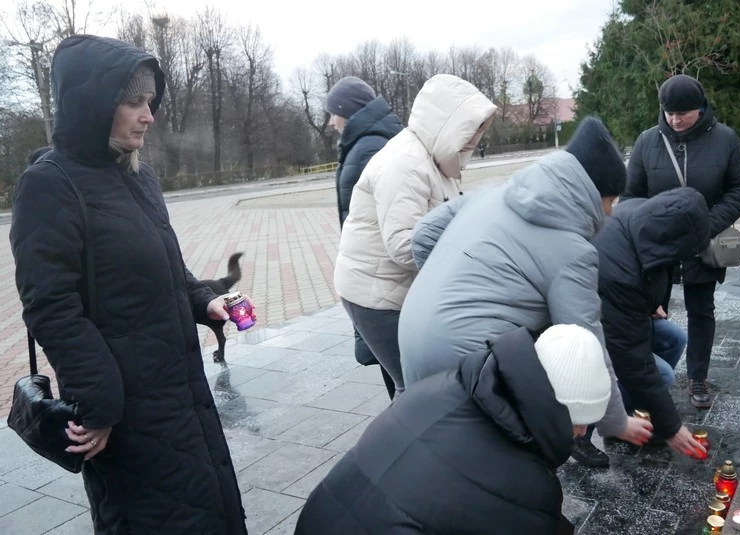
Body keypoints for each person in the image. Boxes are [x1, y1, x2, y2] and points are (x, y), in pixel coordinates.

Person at [9, 35, 247, 534]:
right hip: (124, 413)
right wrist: (100, 403)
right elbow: (49, 306)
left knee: (206, 510)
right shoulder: (50, 184)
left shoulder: (139, 176)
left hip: (179, 392)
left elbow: (167, 271)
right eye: (135, 102)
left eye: (151, 102)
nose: (149, 115)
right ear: (95, 106)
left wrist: (206, 301)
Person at [398, 116, 651, 449]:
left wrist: (451, 282)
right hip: (469, 359)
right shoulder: (572, 250)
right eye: (611, 201)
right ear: (592, 192)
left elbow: (423, 235)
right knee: (496, 457)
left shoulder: (496, 193)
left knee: (438, 444)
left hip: (412, 334)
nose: (610, 214)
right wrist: (616, 421)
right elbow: (585, 343)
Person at [294, 324, 646, 534]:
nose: (584, 434)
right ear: (560, 411)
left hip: (317, 519)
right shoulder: (527, 486)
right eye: (583, 422)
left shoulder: (443, 386)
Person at [333, 73, 497, 397]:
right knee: (415, 388)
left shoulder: (436, 163)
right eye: (469, 129)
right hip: (375, 295)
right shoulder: (405, 164)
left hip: (392, 287)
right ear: (447, 124)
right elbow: (404, 245)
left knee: (419, 386)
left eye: (479, 130)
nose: (475, 140)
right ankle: (396, 446)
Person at [622, 74, 740, 408]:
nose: (675, 119)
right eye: (669, 112)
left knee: (701, 310)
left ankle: (697, 377)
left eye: (683, 112)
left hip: (703, 243)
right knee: (647, 311)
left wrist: (707, 224)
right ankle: (645, 376)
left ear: (701, 108)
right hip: (657, 247)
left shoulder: (724, 139)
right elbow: (631, 195)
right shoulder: (647, 141)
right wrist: (647, 231)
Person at [573, 188, 712, 467]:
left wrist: (653, 304)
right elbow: (634, 359)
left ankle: (634, 414)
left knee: (674, 338)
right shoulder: (620, 275)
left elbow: (659, 264)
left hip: (615, 311)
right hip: (584, 328)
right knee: (662, 375)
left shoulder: (645, 214)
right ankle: (583, 434)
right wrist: (671, 427)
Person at [325, 75, 403, 399]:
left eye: (334, 113)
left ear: (349, 111)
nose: (331, 122)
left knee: (400, 381)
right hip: (382, 276)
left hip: (380, 278)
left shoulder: (368, 147)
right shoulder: (369, 142)